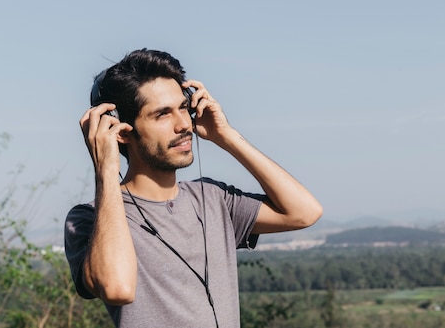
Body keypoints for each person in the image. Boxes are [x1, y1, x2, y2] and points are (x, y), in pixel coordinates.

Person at [64, 48, 323, 328]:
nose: (184, 124)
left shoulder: (214, 199)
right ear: (123, 131)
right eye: (163, 114)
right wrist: (105, 169)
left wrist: (226, 136)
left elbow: (304, 213)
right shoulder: (89, 221)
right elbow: (117, 288)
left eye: (184, 108)